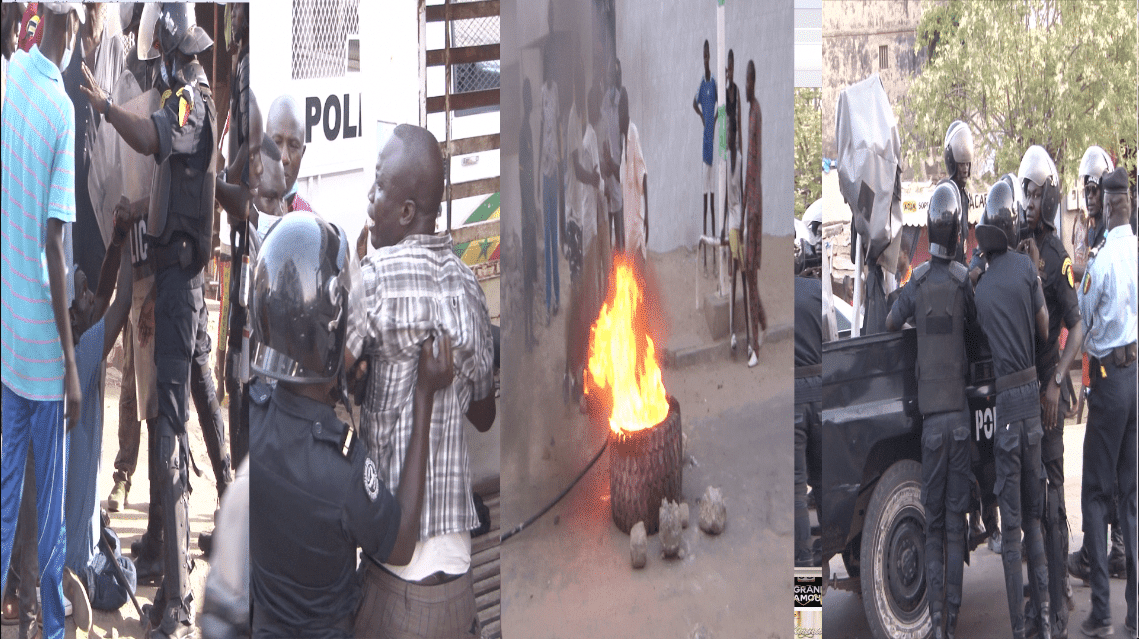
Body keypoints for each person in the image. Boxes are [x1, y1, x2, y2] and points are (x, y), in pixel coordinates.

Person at [80, 5, 218, 636]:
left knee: (167, 436)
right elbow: (176, 179)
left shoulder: (188, 101)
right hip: (174, 276)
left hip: (178, 286)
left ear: (166, 44)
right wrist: (140, 208)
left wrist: (108, 109)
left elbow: (153, 139)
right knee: (194, 406)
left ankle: (180, 602)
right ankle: (167, 548)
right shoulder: (185, 93)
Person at [247, 212, 449, 636]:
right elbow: (401, 543)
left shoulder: (254, 413)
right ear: (329, 337)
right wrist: (424, 396)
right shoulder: (343, 468)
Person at [348, 124, 496, 638]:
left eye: (380, 185)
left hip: (395, 582)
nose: (371, 196)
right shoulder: (469, 286)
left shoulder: (373, 280)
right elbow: (484, 414)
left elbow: (328, 380)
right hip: (459, 582)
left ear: (408, 211)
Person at [1, 5, 86, 639]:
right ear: (77, 27)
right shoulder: (61, 108)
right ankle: (52, 630)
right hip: (40, 354)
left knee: (5, 494)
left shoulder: (13, 84)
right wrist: (71, 366)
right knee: (51, 510)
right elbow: (55, 244)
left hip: (7, 335)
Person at [886, 183, 979, 639]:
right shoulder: (963, 282)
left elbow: (888, 321)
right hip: (960, 423)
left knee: (935, 527)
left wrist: (916, 324)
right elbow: (977, 337)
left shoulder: (917, 282)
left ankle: (938, 625)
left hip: (930, 429)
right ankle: (953, 619)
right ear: (957, 227)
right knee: (955, 526)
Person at [973, 180, 1052, 639]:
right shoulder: (1026, 269)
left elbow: (977, 340)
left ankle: (1019, 629)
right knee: (1036, 520)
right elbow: (1044, 330)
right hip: (1029, 405)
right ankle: (1043, 620)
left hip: (1002, 408)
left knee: (1013, 530)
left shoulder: (979, 289)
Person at [1016, 144, 1085, 636]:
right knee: (1027, 504)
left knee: (1054, 500)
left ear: (1051, 194)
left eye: (1036, 191)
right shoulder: (1014, 243)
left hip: (1046, 393)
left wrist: (1059, 381)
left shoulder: (1058, 256)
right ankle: (1037, 593)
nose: (1029, 200)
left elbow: (1076, 326)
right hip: (1018, 392)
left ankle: (1058, 601)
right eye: (1025, 190)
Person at [1075, 167, 1137, 639]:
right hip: (1135, 375)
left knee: (1095, 496)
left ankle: (1102, 610)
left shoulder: (1103, 259)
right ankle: (1134, 610)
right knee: (1131, 497)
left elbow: (1082, 316)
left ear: (1111, 204)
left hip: (1111, 382)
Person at [1068, 146, 1128, 583]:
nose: (1089, 199)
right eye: (1086, 189)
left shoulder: (1111, 242)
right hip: (1108, 369)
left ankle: (1099, 556)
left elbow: (1087, 313)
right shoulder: (1096, 234)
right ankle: (1115, 552)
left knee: (1102, 475)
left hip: (1115, 371)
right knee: (1121, 471)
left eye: (1094, 189)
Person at [793, 274, 822, 569]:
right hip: (821, 393)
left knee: (798, 495)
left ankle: (808, 613)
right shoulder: (816, 291)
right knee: (825, 486)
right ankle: (829, 547)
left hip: (796, 399)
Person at [743, 60, 767, 368]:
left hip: (753, 207)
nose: (746, 86)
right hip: (749, 205)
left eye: (749, 81)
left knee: (750, 276)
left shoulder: (755, 113)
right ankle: (761, 319)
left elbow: (755, 166)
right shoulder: (749, 112)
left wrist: (752, 211)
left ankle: (755, 346)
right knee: (748, 273)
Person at [266, 93, 314, 213]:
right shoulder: (245, 211)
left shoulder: (307, 219)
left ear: (302, 153)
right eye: (276, 142)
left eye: (293, 146)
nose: (284, 158)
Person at [540, 50, 561, 323]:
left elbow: (556, 127)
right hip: (545, 173)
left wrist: (561, 162)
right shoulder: (543, 93)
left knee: (554, 240)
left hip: (554, 169)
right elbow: (543, 127)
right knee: (547, 240)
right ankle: (547, 301)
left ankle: (556, 296)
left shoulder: (554, 92)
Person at [693, 39, 717, 258]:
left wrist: (715, 119)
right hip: (704, 147)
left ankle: (713, 240)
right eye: (704, 55)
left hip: (713, 148)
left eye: (708, 55)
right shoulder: (702, 83)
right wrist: (702, 116)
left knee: (712, 199)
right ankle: (704, 242)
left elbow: (721, 105)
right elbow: (694, 103)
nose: (706, 58)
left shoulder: (714, 84)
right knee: (704, 197)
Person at [620, 87, 648, 262]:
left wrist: (648, 219)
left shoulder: (633, 134)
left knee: (640, 272)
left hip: (636, 224)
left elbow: (644, 175)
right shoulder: (621, 140)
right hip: (626, 225)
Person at [941, 120, 972, 265]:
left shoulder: (964, 197)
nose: (965, 169)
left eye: (967, 164)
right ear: (952, 162)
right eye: (961, 164)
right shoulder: (944, 195)